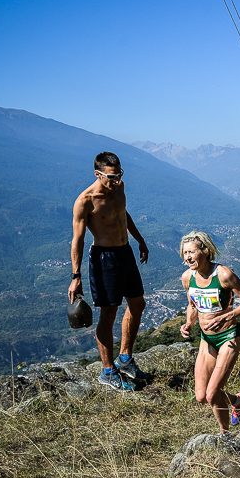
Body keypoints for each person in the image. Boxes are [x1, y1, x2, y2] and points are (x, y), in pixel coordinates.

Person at [69, 152, 149, 391]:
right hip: (104, 258)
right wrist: (76, 276)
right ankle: (107, 371)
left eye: (119, 174)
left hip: (125, 252)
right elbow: (77, 240)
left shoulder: (119, 187)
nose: (117, 180)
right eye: (111, 177)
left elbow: (122, 214)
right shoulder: (85, 201)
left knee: (138, 304)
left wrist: (140, 240)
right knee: (109, 313)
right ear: (98, 174)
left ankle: (125, 358)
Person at [179, 231, 240, 433]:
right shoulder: (187, 277)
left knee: (213, 394)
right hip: (207, 339)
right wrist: (188, 324)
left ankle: (224, 435)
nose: (188, 257)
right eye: (185, 253)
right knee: (201, 396)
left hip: (229, 336)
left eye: (192, 252)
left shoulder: (223, 274)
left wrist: (228, 316)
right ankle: (237, 400)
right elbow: (192, 305)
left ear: (206, 251)